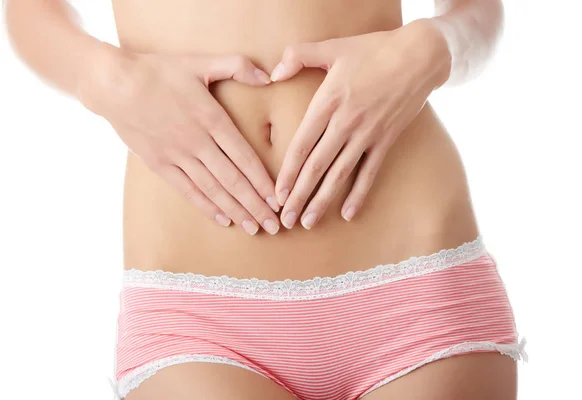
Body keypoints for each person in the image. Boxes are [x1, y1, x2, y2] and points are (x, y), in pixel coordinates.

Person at [5, 0, 526, 399]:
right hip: (199, 317)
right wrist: (106, 79)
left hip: (417, 287)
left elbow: (477, 11)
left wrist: (431, 47)